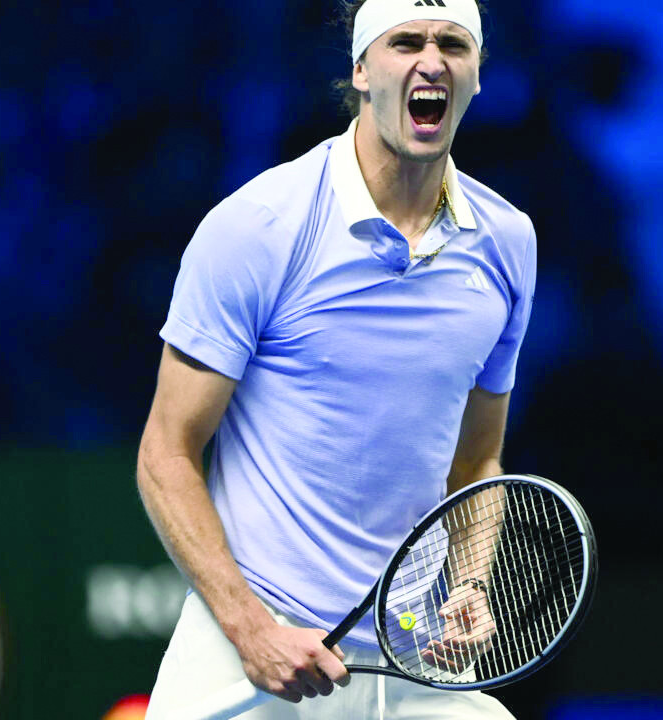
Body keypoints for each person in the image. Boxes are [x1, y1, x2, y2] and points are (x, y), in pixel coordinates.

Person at [137, 0, 535, 717]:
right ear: (360, 70)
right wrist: (251, 629)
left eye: (453, 45)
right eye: (406, 41)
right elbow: (166, 453)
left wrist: (471, 585)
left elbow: (477, 462)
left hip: (409, 648)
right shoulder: (260, 226)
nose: (432, 61)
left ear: (476, 77)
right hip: (249, 650)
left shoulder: (508, 243)